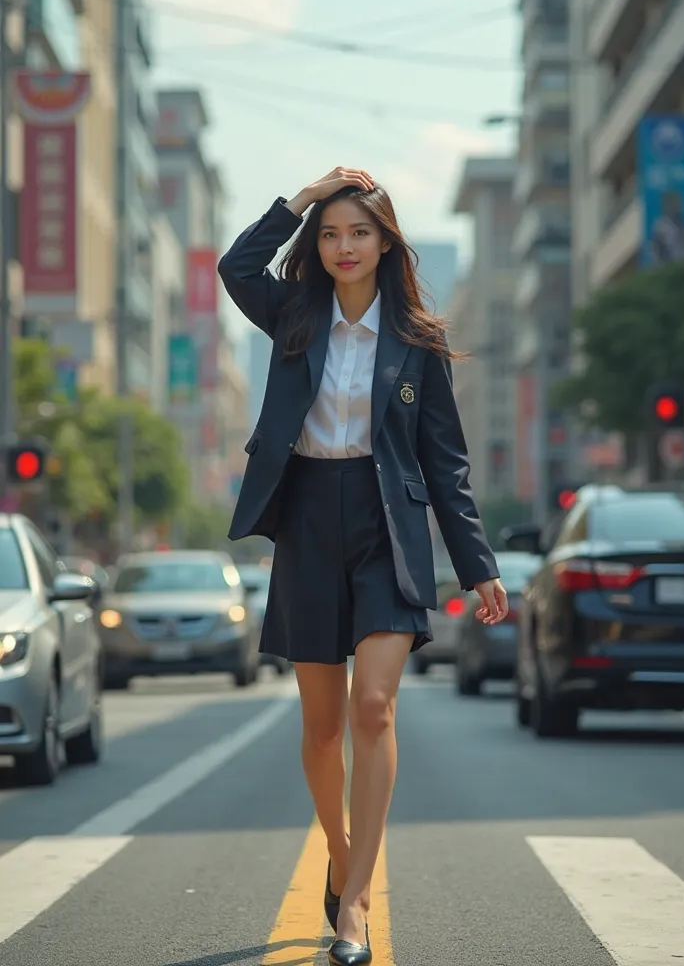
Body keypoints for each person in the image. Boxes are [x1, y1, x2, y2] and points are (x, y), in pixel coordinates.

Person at [219, 167, 507, 965]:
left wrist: (476, 562)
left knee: (373, 705)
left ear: (386, 243)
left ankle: (356, 903)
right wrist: (301, 199)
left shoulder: (417, 341)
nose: (344, 246)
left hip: (389, 526)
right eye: (331, 233)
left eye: (360, 232)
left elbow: (445, 463)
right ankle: (342, 860)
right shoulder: (292, 314)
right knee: (320, 725)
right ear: (318, 243)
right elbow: (236, 268)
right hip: (307, 517)